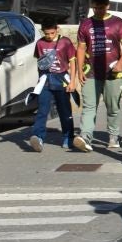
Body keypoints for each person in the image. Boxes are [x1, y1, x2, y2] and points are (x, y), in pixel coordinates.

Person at [75, 0, 122, 150]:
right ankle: (85, 136)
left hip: (112, 73)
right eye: (95, 8)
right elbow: (80, 48)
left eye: (101, 8)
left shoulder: (117, 23)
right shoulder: (86, 24)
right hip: (91, 72)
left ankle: (113, 136)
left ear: (108, 6)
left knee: (112, 106)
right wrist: (79, 70)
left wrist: (120, 63)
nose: (98, 11)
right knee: (89, 106)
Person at [25, 18, 87, 153]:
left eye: (52, 33)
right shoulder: (40, 43)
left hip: (61, 80)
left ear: (57, 29)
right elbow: (40, 63)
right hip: (46, 81)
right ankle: (38, 137)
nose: (49, 36)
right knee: (42, 110)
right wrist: (39, 81)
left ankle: (68, 137)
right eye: (46, 33)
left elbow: (72, 62)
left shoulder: (65, 42)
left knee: (65, 111)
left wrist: (72, 82)